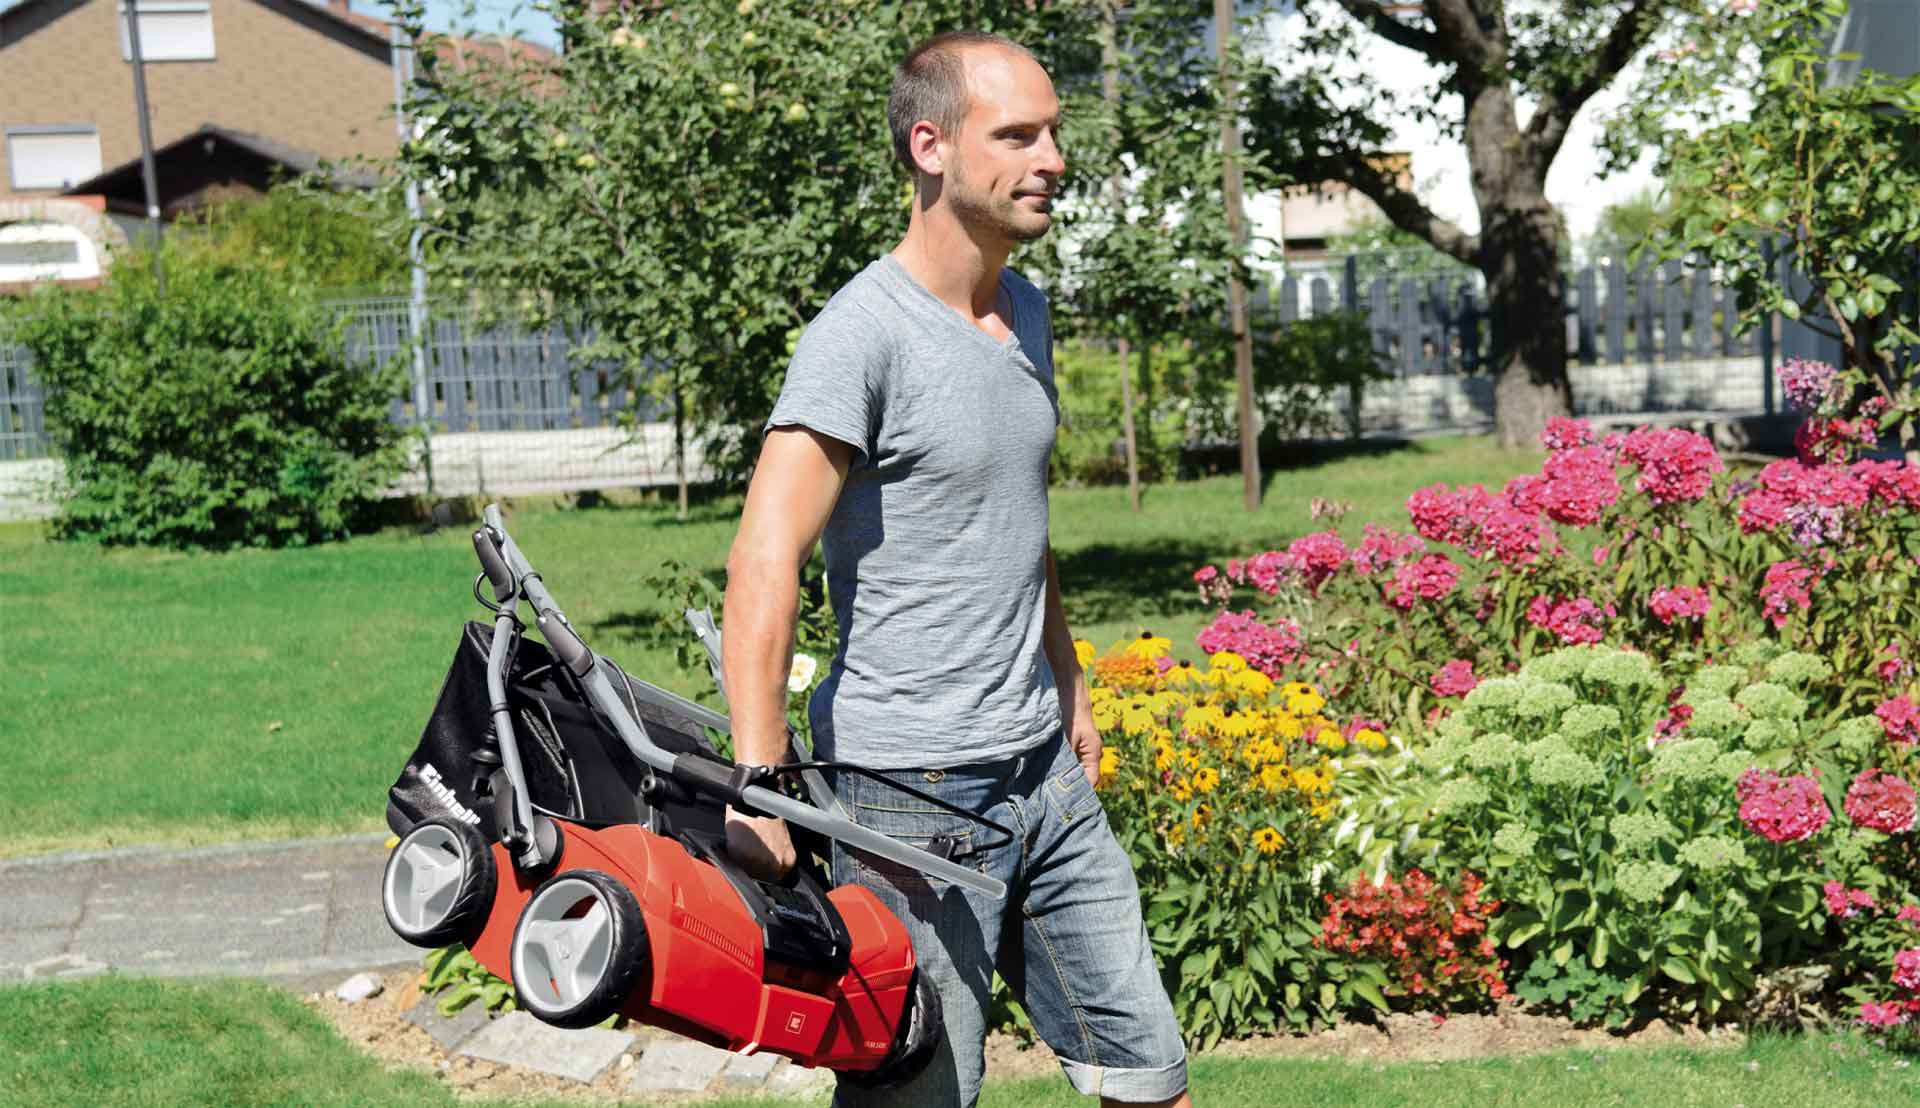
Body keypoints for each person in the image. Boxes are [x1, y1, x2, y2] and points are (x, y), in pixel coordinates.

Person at [718, 30, 1192, 1108]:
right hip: (909, 795)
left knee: (1148, 1075)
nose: (1053, 158)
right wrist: (760, 779)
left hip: (1040, 769)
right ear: (930, 146)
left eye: (1055, 133)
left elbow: (1017, 519)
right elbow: (765, 550)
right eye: (1017, 134)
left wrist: (1066, 677)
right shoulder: (862, 335)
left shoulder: (1022, 309)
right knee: (920, 1095)